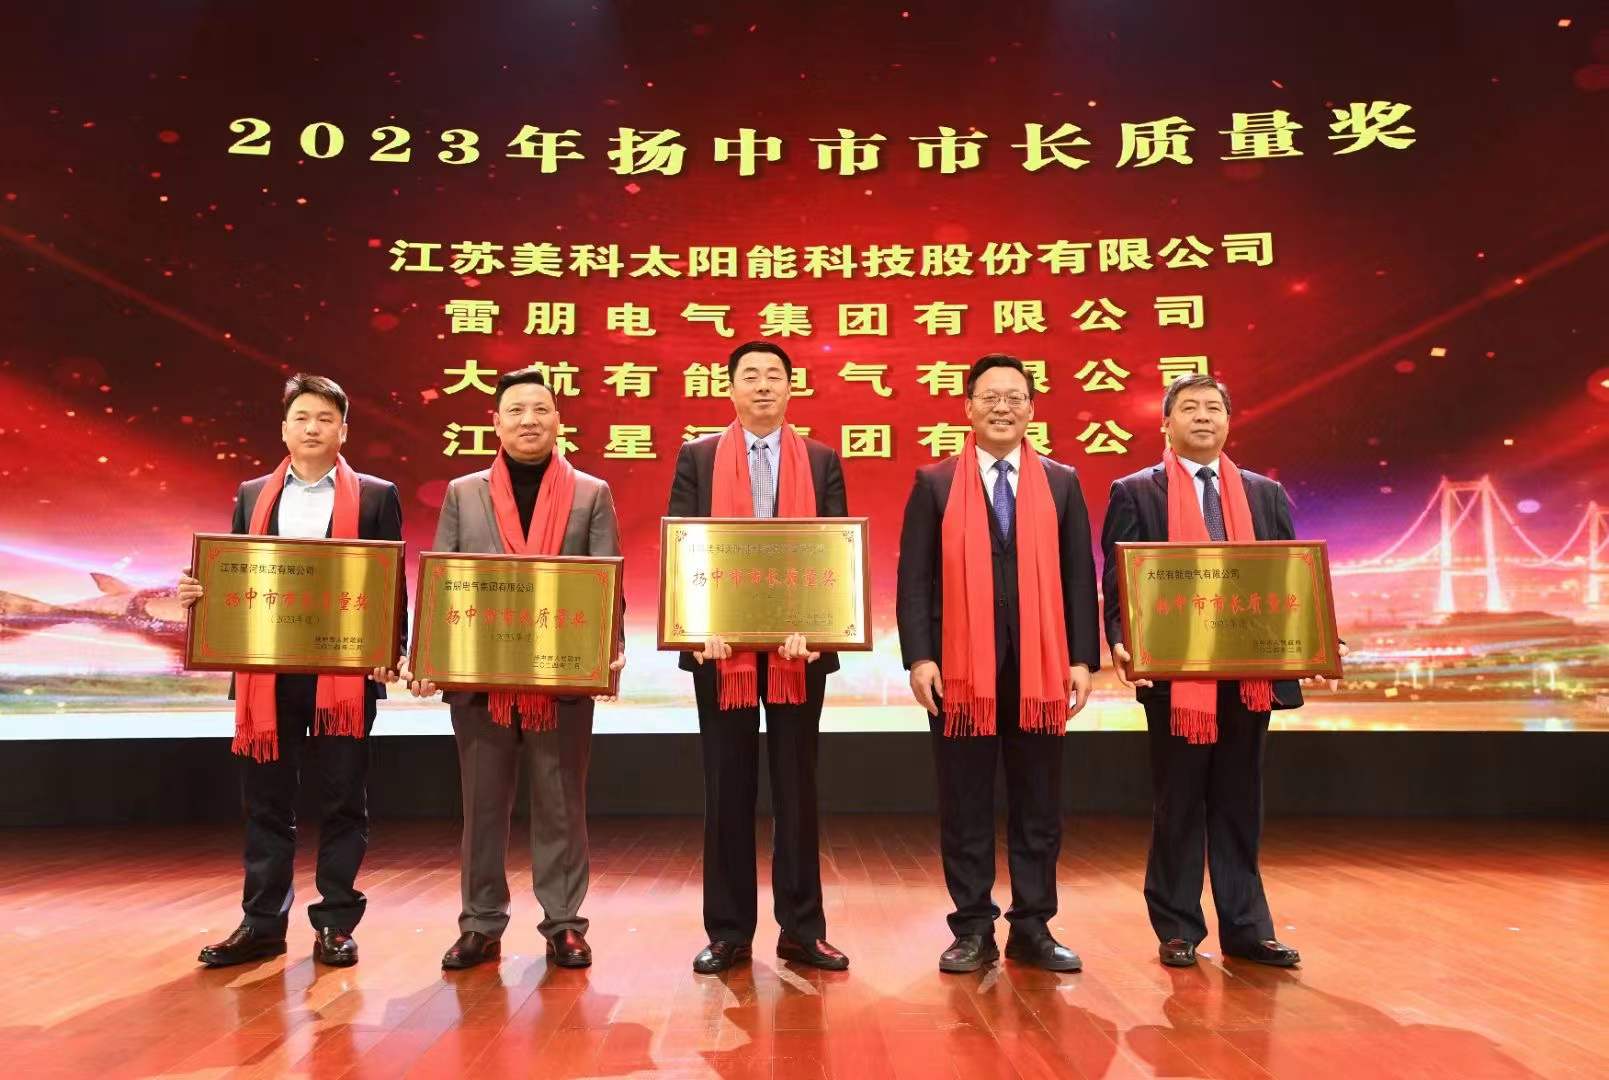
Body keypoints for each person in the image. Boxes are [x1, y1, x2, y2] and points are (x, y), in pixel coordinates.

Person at [1100, 372, 1345, 969]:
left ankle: (1247, 929)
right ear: (1166, 423)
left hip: (1249, 677)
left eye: (1214, 408)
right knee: (1178, 804)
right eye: (1189, 408)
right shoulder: (1135, 492)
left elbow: (1291, 577)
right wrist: (1120, 640)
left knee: (1239, 804)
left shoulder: (1264, 493)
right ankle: (1177, 926)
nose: (1203, 417)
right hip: (1175, 677)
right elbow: (1117, 582)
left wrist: (1316, 637)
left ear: (1229, 422)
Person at [178, 373, 404, 968]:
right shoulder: (252, 493)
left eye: (325, 419)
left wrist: (393, 648)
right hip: (267, 676)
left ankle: (336, 923)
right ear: (284, 429)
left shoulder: (377, 495)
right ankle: (261, 924)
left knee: (343, 802)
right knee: (266, 804)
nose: (312, 428)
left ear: (343, 430)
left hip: (345, 676)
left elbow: (391, 583)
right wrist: (200, 590)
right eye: (302, 417)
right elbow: (235, 571)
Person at [408, 366, 624, 971]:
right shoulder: (463, 492)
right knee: (482, 807)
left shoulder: (591, 493)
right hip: (482, 681)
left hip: (561, 678)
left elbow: (608, 578)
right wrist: (428, 656)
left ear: (558, 420)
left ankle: (565, 924)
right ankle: (480, 924)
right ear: (496, 423)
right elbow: (443, 578)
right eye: (516, 411)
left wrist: (608, 651)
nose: (529, 421)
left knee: (561, 805)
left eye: (540, 409)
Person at [895, 353, 1100, 974]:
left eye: (1014, 397)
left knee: (1038, 803)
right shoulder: (934, 483)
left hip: (1041, 668)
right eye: (990, 397)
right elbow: (914, 580)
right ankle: (973, 927)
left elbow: (1078, 576)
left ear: (1032, 408)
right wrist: (920, 657)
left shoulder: (1061, 482)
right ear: (968, 407)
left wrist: (1082, 659)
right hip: (960, 671)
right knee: (965, 802)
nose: (1002, 407)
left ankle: (1033, 926)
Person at [667, 341, 850, 974]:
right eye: (751, 376)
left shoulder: (822, 459)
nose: (764, 385)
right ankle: (729, 932)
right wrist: (698, 627)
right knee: (727, 790)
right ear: (730, 388)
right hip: (722, 654)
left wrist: (821, 628)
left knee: (798, 790)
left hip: (801, 653)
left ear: (792, 388)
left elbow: (834, 551)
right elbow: (683, 548)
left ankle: (802, 929)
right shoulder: (697, 458)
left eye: (775, 375)